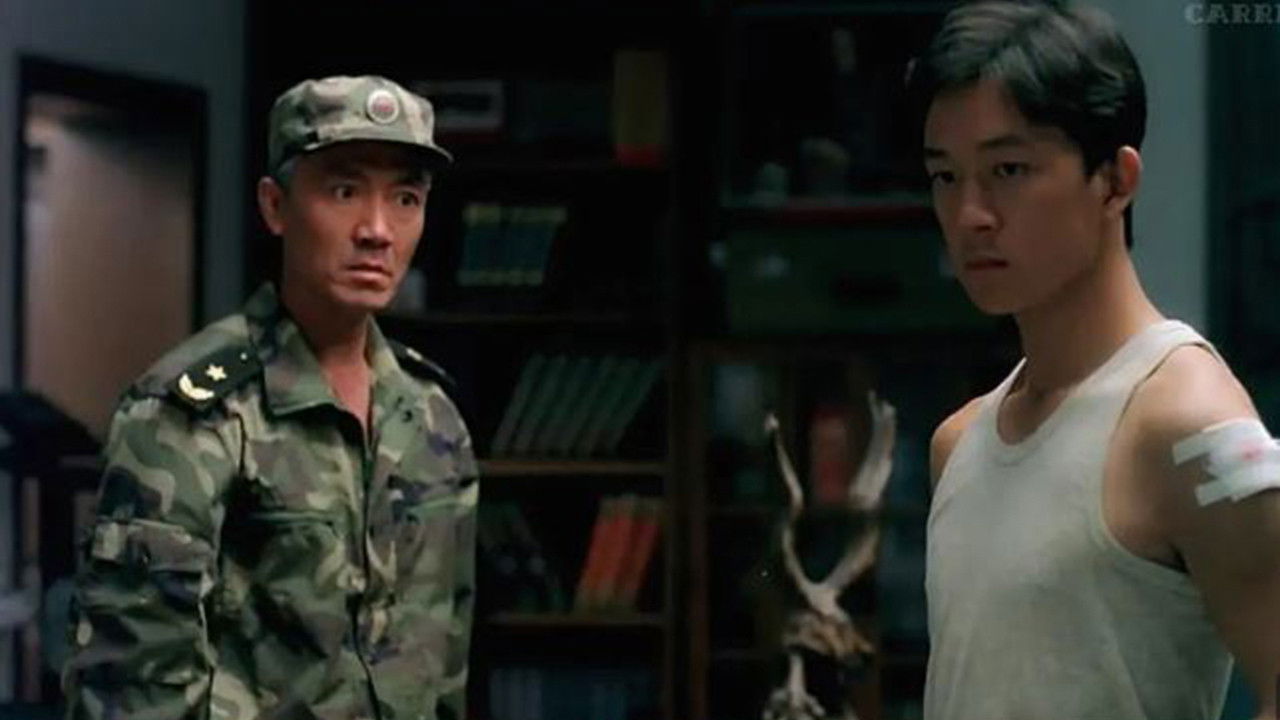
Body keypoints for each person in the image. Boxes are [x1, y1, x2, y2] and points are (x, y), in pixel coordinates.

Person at [62, 75, 478, 720]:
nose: (377, 230)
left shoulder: (431, 418)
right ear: (276, 206)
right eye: (344, 191)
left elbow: (443, 667)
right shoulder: (191, 415)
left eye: (405, 198)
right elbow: (132, 690)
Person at [910, 2, 1280, 719]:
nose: (970, 214)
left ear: (1115, 180)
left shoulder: (1186, 420)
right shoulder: (957, 445)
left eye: (1008, 169)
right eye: (946, 177)